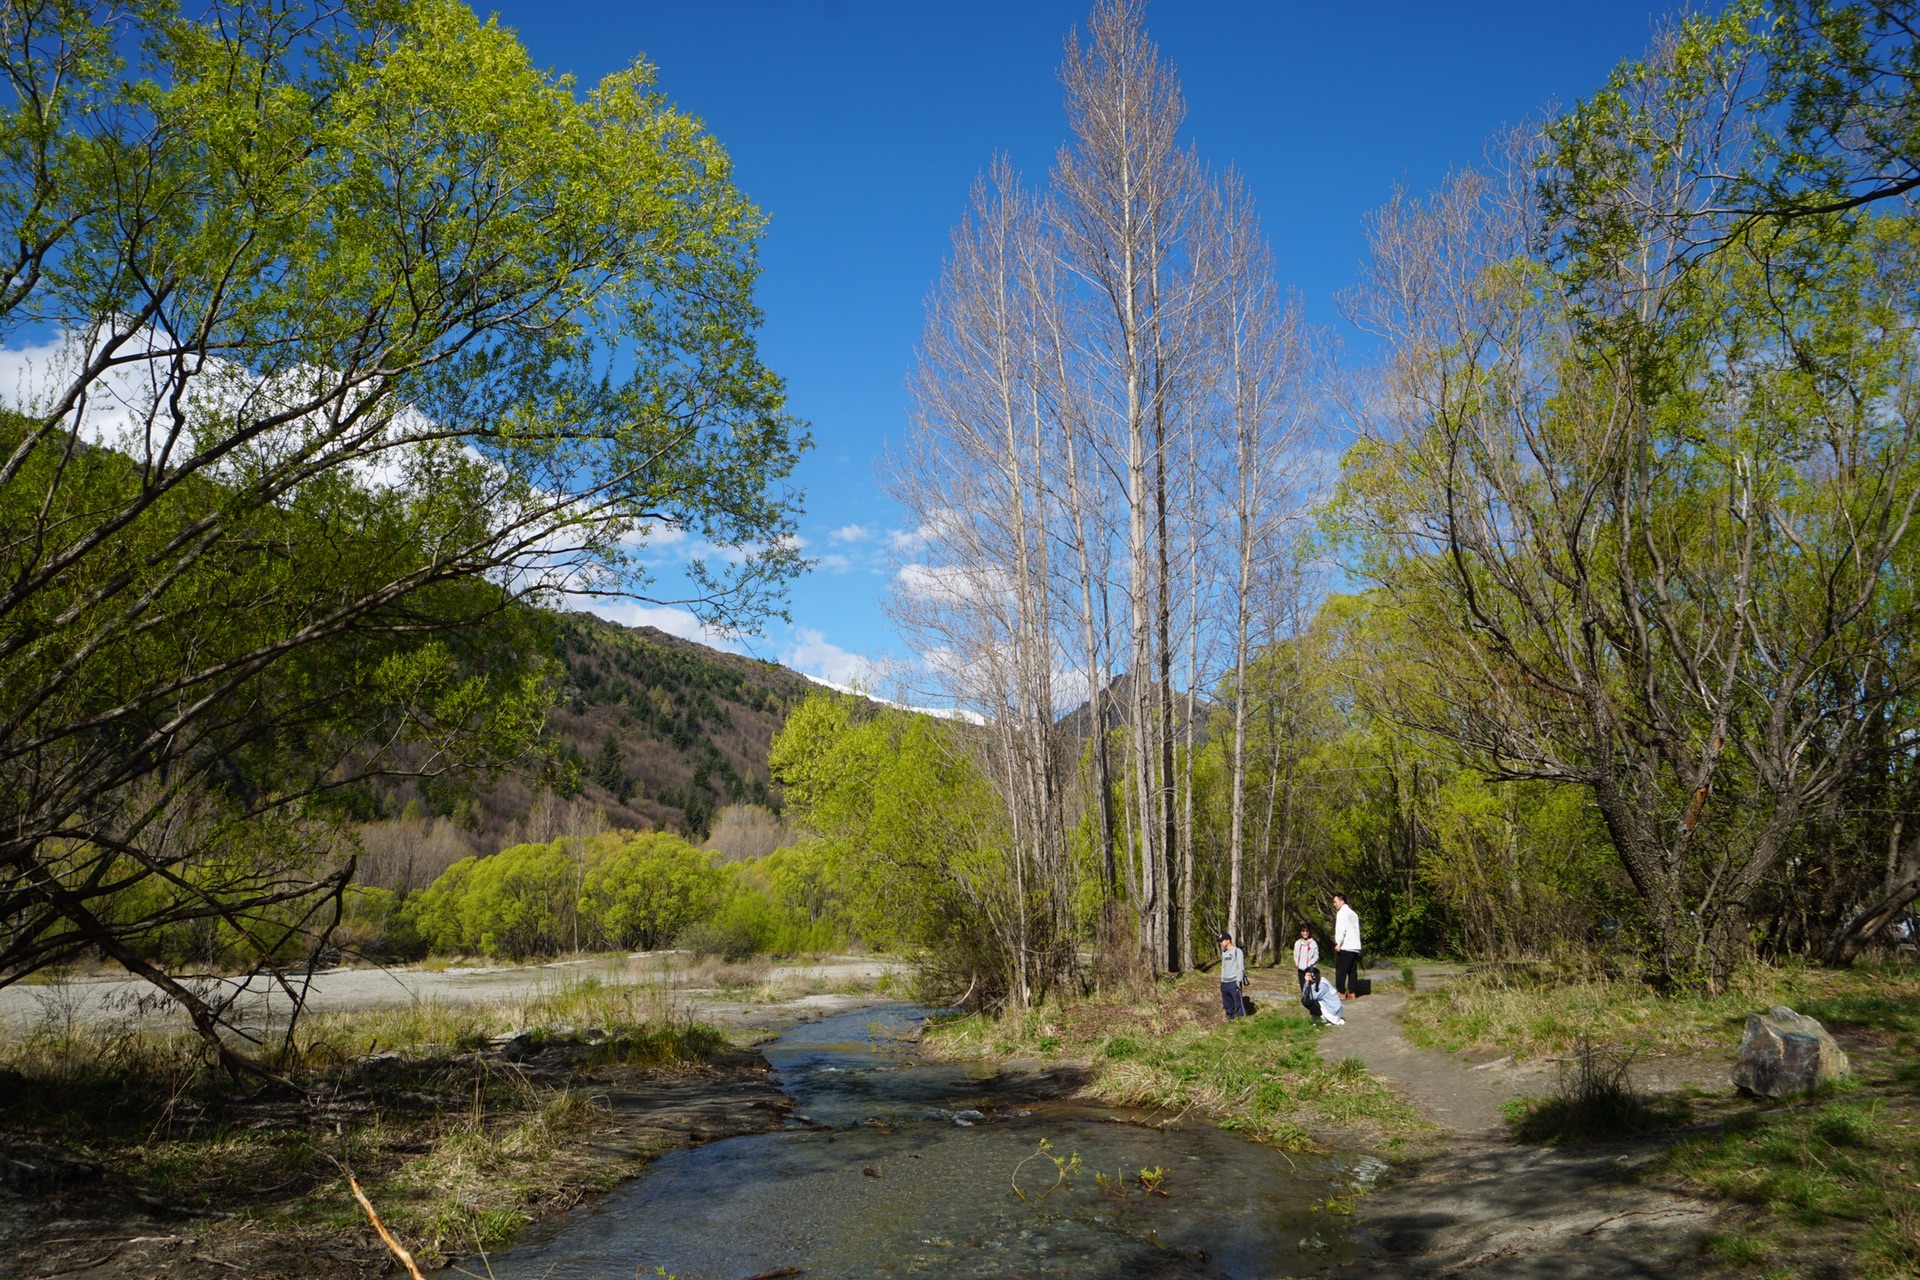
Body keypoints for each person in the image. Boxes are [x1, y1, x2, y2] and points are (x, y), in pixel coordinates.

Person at [1332, 892, 1363, 998]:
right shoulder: (1353, 914)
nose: (1334, 904)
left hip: (1346, 946)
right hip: (1355, 946)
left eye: (1335, 902)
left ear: (1342, 901)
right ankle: (1352, 992)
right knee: (1352, 971)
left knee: (1341, 970)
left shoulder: (1341, 913)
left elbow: (1341, 929)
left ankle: (1341, 992)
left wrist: (1338, 943)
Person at [1218, 933, 1248, 1020]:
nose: (1220, 943)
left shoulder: (1237, 951)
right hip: (1225, 983)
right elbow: (1223, 967)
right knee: (1227, 1004)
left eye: (1222, 941)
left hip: (1234, 982)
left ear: (1228, 941)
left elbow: (1240, 967)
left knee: (1238, 1002)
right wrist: (1222, 980)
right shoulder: (1224, 953)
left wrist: (1238, 980)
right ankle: (1231, 1019)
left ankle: (1242, 1020)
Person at [1292, 925, 1319, 990]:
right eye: (1303, 931)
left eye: (1306, 931)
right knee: (1302, 986)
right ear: (1301, 932)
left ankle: (1310, 999)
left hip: (1310, 969)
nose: (1305, 933)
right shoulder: (1297, 943)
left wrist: (1310, 963)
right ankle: (1304, 998)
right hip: (1300, 969)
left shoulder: (1313, 943)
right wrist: (1297, 963)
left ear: (1309, 932)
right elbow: (1295, 955)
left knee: (1310, 986)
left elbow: (1316, 956)